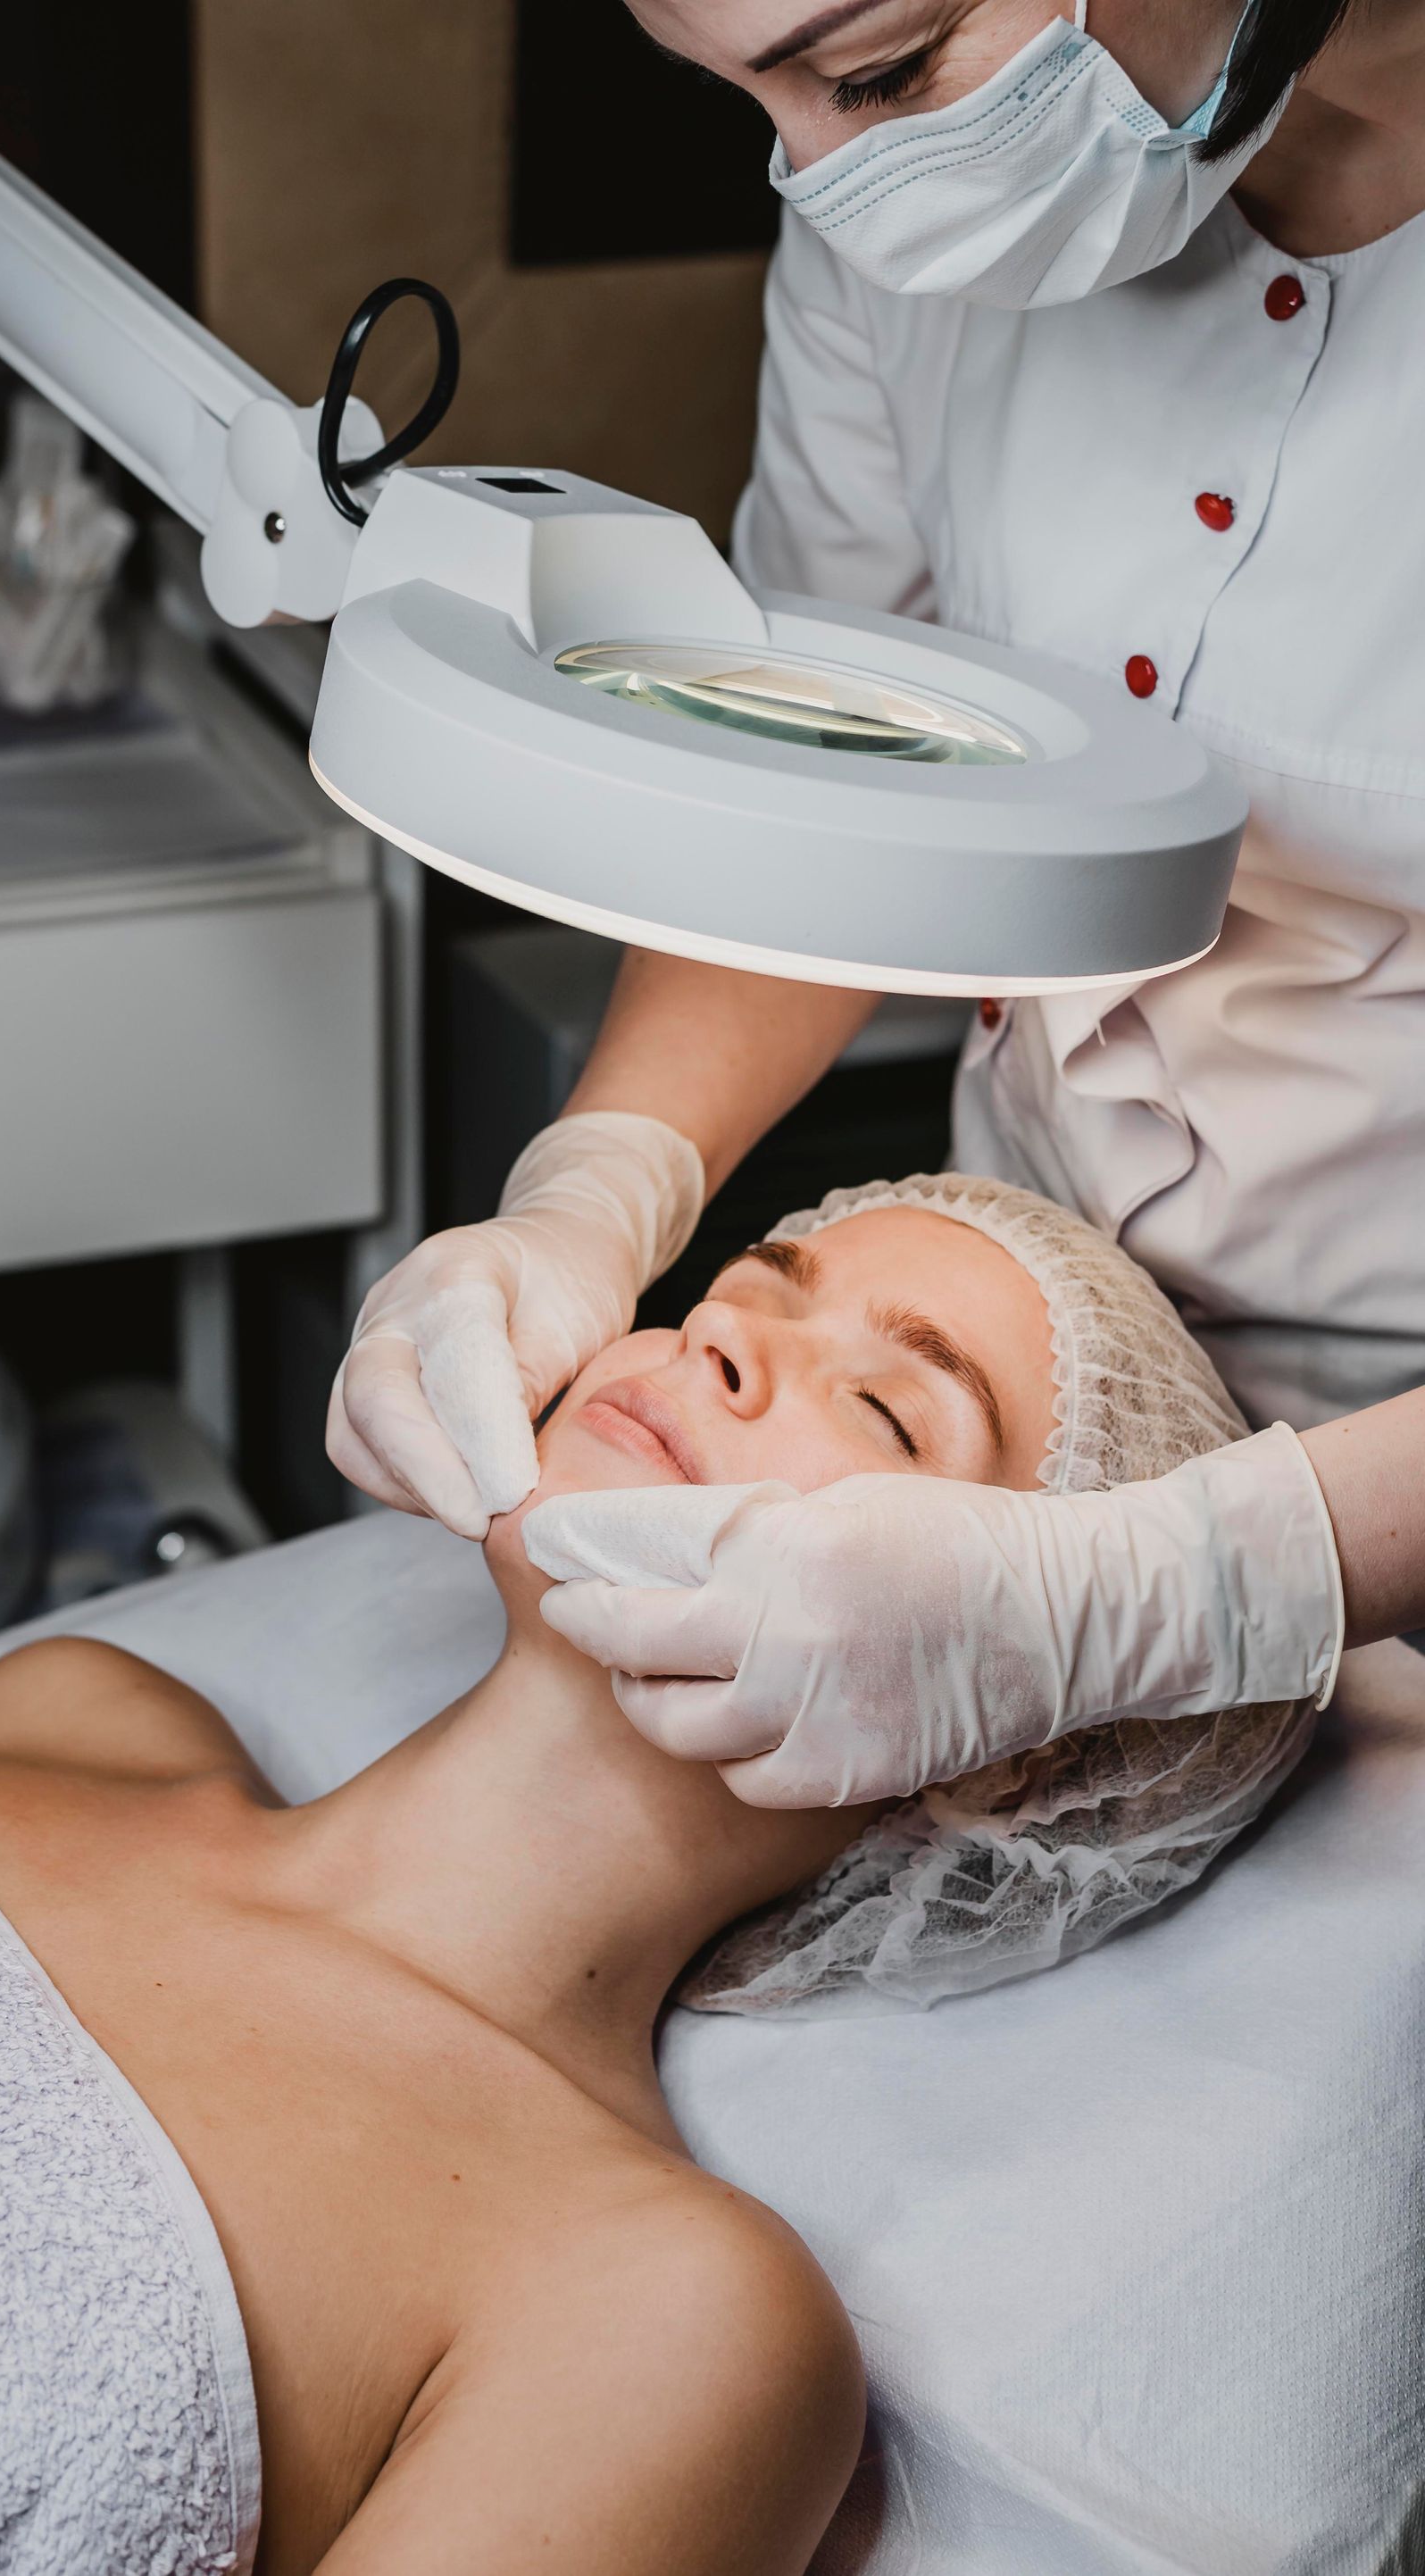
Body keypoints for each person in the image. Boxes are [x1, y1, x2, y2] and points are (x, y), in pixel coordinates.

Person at [0, 1179, 1310, 2572]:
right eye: (739, 1292)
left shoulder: (666, 2319)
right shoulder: (83, 1713)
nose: (719, 1341)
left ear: (1002, 1743)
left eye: (894, 1411)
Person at [328, 0, 1425, 1808]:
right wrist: (599, 1192)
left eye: (884, 66)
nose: (826, 178)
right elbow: (820, 801)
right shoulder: (936, 213)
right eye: (745, 93)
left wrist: (1184, 1590)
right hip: (1014, 1316)